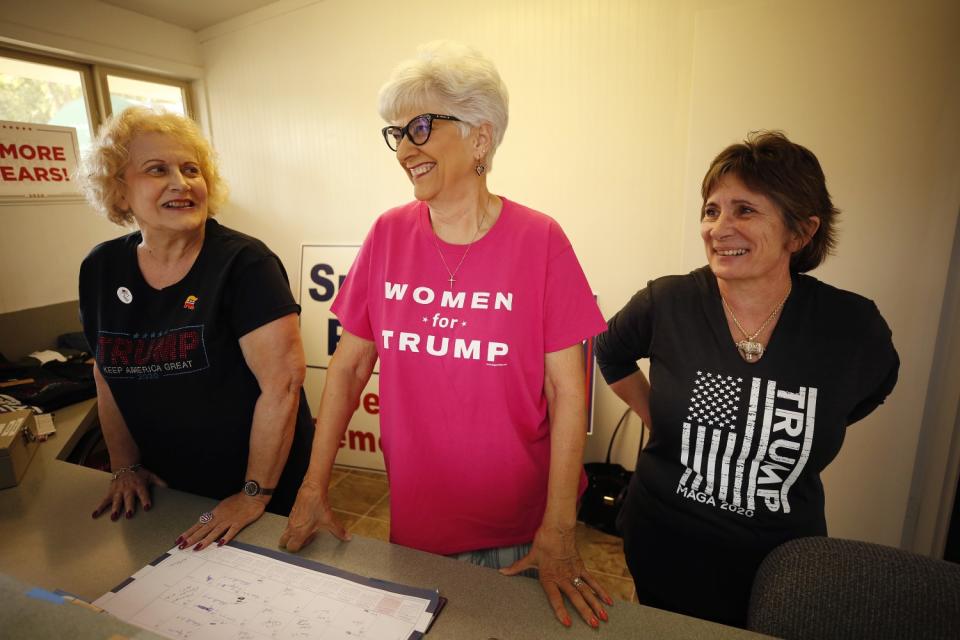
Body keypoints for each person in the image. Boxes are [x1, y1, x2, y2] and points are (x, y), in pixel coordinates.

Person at [279, 42, 611, 628]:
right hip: (417, 522)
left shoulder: (541, 240)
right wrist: (313, 485)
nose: (405, 149)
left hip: (519, 529)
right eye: (397, 134)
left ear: (480, 138)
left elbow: (567, 393)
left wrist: (558, 530)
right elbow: (350, 367)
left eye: (422, 127)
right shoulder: (387, 234)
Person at [595, 131, 899, 627]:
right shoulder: (667, 303)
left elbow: (872, 389)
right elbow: (610, 353)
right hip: (664, 543)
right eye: (712, 210)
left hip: (782, 563)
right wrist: (657, 417)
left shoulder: (851, 327)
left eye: (745, 210)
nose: (719, 227)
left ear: (799, 233)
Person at [78, 107, 314, 550]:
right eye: (157, 170)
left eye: (191, 169)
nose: (181, 182)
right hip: (166, 484)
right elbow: (104, 371)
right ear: (120, 190)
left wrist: (253, 495)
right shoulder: (100, 268)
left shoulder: (245, 264)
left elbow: (282, 387)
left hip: (256, 484)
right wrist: (124, 466)